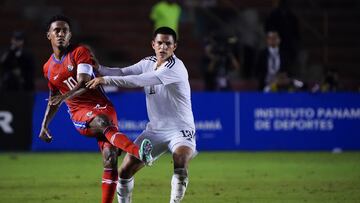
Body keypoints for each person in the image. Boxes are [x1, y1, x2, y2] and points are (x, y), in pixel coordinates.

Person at [38, 15, 152, 203]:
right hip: (80, 112)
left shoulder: (80, 52)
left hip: (104, 106)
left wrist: (62, 97)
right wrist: (44, 125)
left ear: (70, 35)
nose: (60, 34)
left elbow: (84, 84)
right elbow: (53, 99)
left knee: (111, 157)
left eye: (64, 30)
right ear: (48, 35)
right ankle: (139, 152)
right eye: (56, 30)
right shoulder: (48, 68)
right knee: (101, 123)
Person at [86, 27, 196, 203]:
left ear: (174, 46)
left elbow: (138, 80)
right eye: (160, 43)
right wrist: (100, 68)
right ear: (153, 44)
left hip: (180, 129)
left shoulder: (175, 67)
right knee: (124, 171)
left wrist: (105, 80)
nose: (163, 47)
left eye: (168, 44)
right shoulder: (148, 62)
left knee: (180, 159)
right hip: (155, 130)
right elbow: (123, 72)